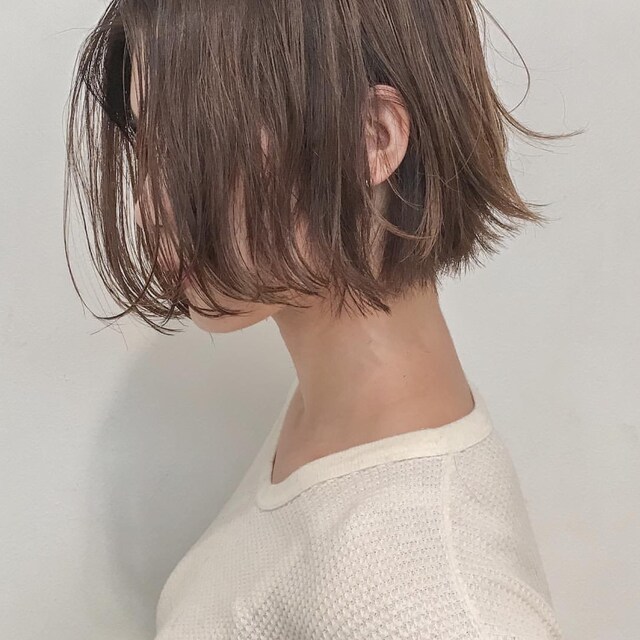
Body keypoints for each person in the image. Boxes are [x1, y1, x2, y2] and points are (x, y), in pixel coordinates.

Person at [64, 1, 581, 637]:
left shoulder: (435, 608)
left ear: (373, 139)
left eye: (194, 144)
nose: (150, 205)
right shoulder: (332, 417)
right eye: (148, 149)